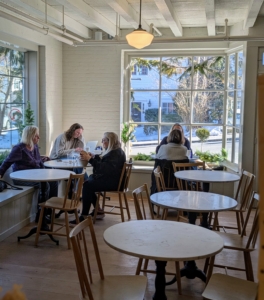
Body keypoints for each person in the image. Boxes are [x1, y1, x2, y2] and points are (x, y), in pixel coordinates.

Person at [0, 126, 58, 220]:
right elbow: (7, 162)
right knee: (45, 185)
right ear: (29, 136)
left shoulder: (34, 146)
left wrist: (47, 173)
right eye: (36, 136)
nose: (38, 138)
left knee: (54, 182)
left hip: (36, 176)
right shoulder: (19, 148)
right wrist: (0, 173)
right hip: (22, 178)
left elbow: (38, 161)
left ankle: (49, 210)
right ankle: (40, 215)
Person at [69, 132, 126, 224]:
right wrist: (94, 157)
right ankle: (98, 210)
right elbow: (106, 165)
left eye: (103, 140)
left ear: (109, 141)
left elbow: (103, 169)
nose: (102, 142)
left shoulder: (114, 153)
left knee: (87, 185)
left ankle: (84, 215)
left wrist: (90, 159)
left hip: (113, 182)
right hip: (115, 180)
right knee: (88, 182)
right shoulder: (116, 151)